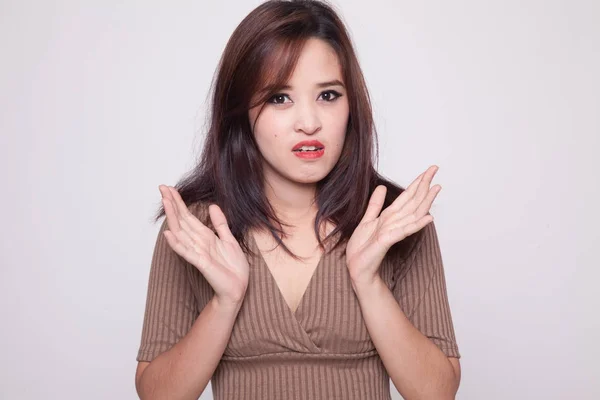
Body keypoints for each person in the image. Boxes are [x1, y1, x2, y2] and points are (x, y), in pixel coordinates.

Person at [134, 0, 461, 399]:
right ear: (240, 112)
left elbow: (437, 393)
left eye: (328, 95)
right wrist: (225, 302)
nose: (309, 123)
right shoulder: (195, 227)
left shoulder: (396, 222)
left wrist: (368, 281)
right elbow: (156, 395)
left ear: (351, 105)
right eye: (279, 98)